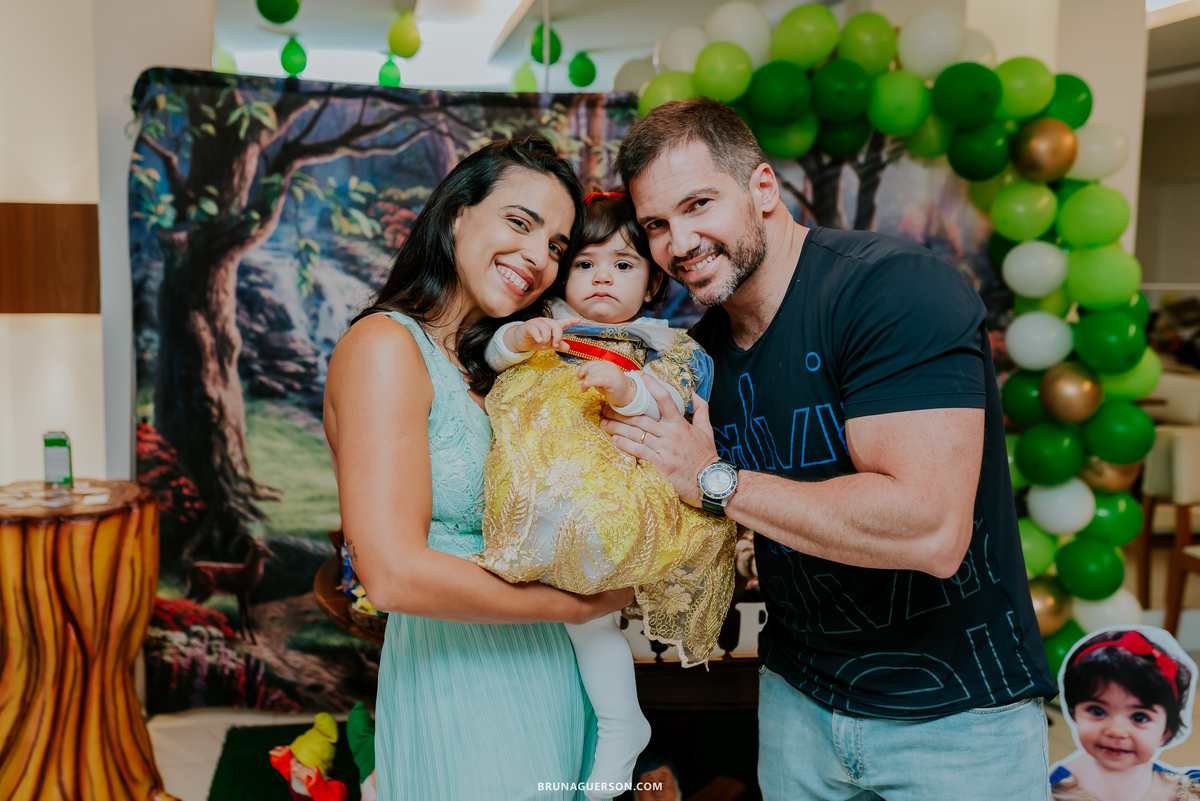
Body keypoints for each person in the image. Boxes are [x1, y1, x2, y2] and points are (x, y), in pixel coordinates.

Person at [601, 97, 1057, 800]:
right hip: (797, 703)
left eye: (698, 204)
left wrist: (714, 480)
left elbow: (931, 527)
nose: (679, 242)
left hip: (957, 717)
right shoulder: (702, 354)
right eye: (657, 224)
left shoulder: (893, 289)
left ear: (762, 188)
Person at [323, 135, 634, 800]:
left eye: (556, 245)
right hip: (461, 678)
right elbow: (393, 573)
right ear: (458, 213)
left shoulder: (487, 367)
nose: (538, 258)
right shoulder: (384, 344)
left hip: (551, 666)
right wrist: (574, 605)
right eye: (520, 223)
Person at [473, 190, 737, 798]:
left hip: (601, 504)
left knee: (591, 616)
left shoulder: (655, 345)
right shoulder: (548, 326)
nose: (601, 278)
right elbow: (491, 353)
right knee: (579, 628)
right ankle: (615, 727)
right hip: (538, 500)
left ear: (650, 284)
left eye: (623, 265)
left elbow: (664, 406)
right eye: (586, 263)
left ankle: (621, 725)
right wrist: (520, 342)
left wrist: (624, 391)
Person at [1052, 629, 1200, 801]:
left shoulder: (1187, 790)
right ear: (1074, 713)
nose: (1116, 731)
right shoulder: (1051, 791)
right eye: (1097, 711)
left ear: (1166, 731)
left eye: (1139, 717)